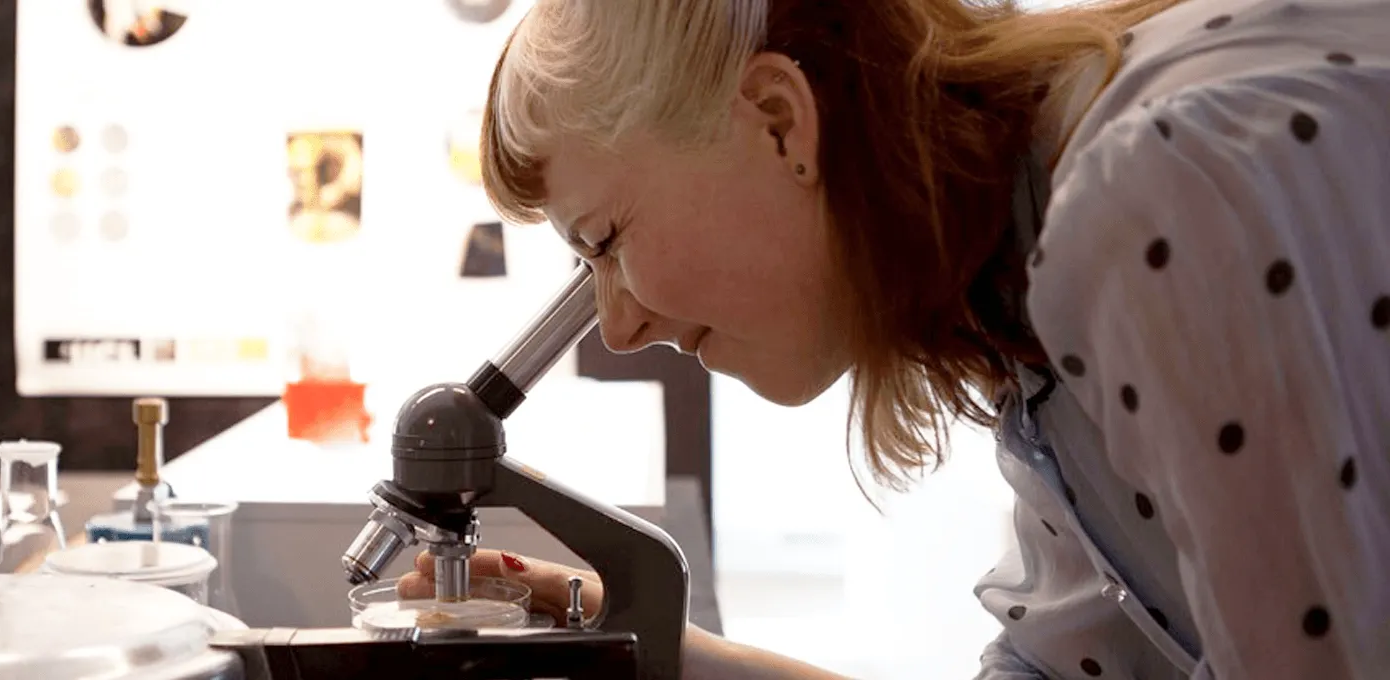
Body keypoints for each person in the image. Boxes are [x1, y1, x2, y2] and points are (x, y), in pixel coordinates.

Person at [396, 0, 1390, 677]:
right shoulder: (1032, 326)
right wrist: (664, 650)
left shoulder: (1152, 198)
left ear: (779, 122)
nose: (617, 328)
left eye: (605, 242)